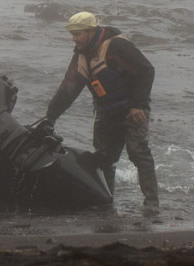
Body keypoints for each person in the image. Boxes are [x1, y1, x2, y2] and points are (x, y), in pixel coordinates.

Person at [44, 11, 159, 208]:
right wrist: (50, 117)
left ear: (91, 31)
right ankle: (107, 201)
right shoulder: (80, 57)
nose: (74, 39)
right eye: (72, 34)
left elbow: (147, 70)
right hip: (106, 113)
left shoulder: (117, 46)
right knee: (104, 158)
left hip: (133, 111)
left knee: (139, 154)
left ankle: (151, 203)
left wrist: (138, 105)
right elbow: (69, 88)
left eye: (78, 34)